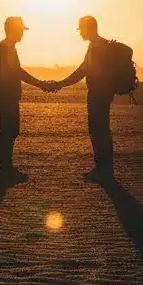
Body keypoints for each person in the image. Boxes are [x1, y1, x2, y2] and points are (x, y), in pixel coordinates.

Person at [47, 15, 115, 182]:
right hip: (104, 93)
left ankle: (103, 171)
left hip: (98, 94)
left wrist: (60, 84)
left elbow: (82, 71)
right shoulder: (101, 44)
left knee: (97, 131)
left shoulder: (96, 47)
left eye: (80, 29)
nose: (80, 33)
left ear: (88, 29)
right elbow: (83, 70)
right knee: (102, 130)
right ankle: (104, 169)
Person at [0, 16, 48, 183]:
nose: (22, 34)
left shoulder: (7, 47)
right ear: (13, 30)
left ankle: (6, 170)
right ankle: (5, 171)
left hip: (6, 96)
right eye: (21, 30)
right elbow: (17, 72)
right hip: (6, 96)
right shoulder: (6, 49)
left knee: (9, 131)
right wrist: (39, 83)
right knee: (7, 132)